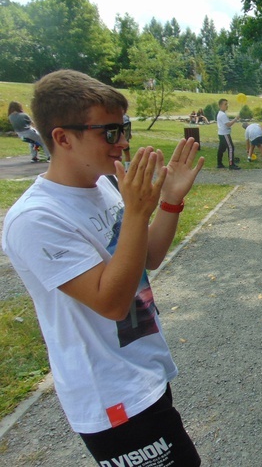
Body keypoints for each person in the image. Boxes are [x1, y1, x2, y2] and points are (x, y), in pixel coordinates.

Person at [1, 69, 204, 466]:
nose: (124, 142)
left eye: (123, 128)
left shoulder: (105, 187)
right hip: (111, 393)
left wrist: (170, 201)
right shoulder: (36, 218)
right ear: (62, 138)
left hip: (143, 371)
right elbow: (110, 302)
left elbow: (147, 259)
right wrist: (136, 211)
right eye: (110, 132)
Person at [217, 98, 241, 170]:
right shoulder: (222, 115)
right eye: (225, 104)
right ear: (220, 105)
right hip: (225, 134)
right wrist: (236, 118)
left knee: (221, 148)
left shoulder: (221, 113)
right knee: (231, 148)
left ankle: (219, 163)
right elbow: (228, 124)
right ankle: (231, 164)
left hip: (221, 133)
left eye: (227, 104)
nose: (227, 106)